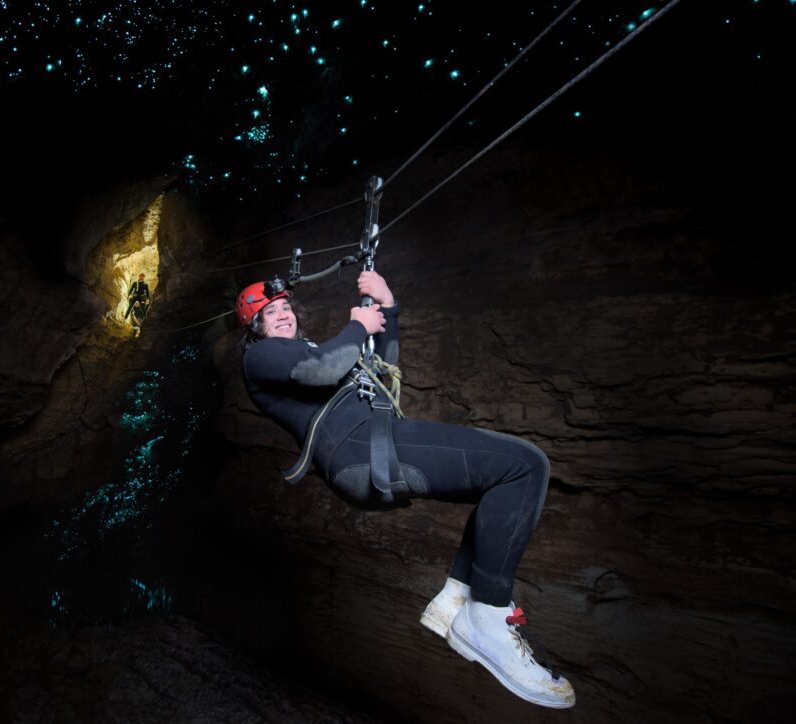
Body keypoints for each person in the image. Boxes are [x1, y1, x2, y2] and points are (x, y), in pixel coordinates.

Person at [237, 270, 576, 709]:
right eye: (270, 313)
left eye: (286, 308)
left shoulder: (309, 348)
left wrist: (388, 309)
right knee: (525, 467)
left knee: (503, 480)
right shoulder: (259, 357)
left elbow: (381, 372)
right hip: (360, 450)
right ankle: (488, 616)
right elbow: (323, 370)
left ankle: (459, 596)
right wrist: (358, 325)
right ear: (255, 327)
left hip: (372, 443)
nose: (283, 315)